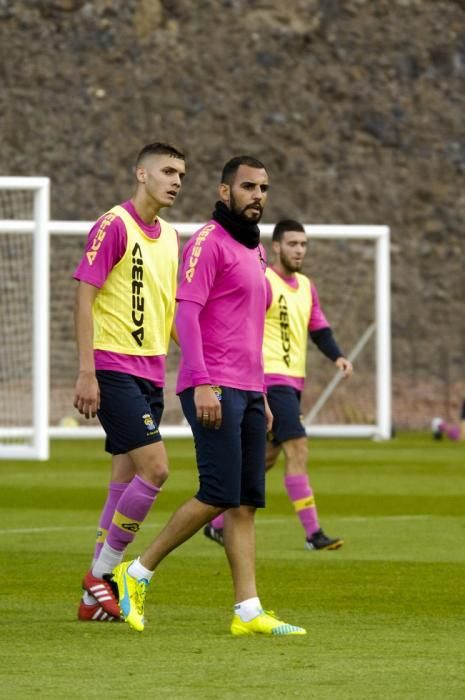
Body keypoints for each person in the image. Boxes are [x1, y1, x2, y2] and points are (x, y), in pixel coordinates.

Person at [111, 156, 306, 636]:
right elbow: (187, 312)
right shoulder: (206, 242)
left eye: (263, 187)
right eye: (247, 187)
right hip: (213, 387)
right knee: (218, 492)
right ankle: (134, 573)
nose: (257, 195)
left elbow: (247, 328)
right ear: (224, 193)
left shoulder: (255, 251)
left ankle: (247, 611)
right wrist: (201, 381)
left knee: (243, 502)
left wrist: (259, 394)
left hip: (248, 389)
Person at [73, 141, 186, 622]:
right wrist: (86, 370)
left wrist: (203, 363)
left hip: (151, 374)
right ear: (141, 174)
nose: (176, 181)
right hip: (114, 369)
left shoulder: (173, 236)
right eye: (167, 171)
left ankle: (89, 604)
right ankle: (105, 574)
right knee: (156, 470)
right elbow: (84, 297)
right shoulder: (114, 224)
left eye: (181, 173)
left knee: (122, 481)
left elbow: (171, 312)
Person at [205, 219, 353, 551]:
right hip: (271, 382)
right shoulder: (264, 281)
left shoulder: (306, 286)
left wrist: (338, 356)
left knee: (264, 459)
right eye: (292, 244)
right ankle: (313, 534)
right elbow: (245, 325)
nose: (299, 250)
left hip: (292, 384)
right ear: (276, 246)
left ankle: (214, 522)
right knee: (298, 448)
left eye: (303, 244)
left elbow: (319, 328)